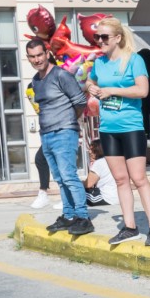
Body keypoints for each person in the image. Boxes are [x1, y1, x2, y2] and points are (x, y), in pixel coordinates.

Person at [87, 16, 150, 247]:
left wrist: (112, 90)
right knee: (120, 180)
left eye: (104, 37)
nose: (100, 40)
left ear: (117, 37)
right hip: (108, 129)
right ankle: (130, 227)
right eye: (97, 36)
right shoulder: (99, 62)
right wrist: (90, 86)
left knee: (139, 178)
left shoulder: (134, 59)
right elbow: (89, 81)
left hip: (131, 127)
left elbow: (143, 90)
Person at [26, 36, 95, 237]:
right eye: (32, 56)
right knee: (60, 178)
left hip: (64, 132)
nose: (37, 59)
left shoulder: (61, 75)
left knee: (69, 176)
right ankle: (69, 215)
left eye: (40, 55)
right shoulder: (36, 80)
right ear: (28, 58)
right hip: (46, 135)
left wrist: (68, 121)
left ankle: (83, 218)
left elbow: (80, 101)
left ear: (47, 53)